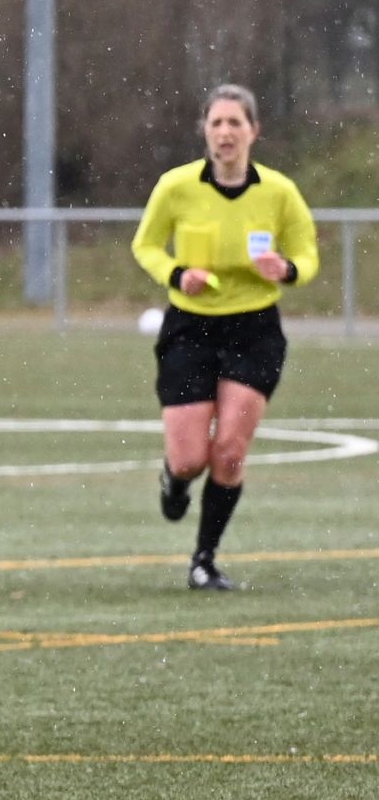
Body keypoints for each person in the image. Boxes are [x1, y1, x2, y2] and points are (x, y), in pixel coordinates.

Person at [131, 83, 318, 591]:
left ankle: (204, 561)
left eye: (236, 122)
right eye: (217, 122)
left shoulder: (279, 192)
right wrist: (176, 274)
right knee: (190, 459)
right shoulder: (176, 187)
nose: (226, 132)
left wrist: (287, 269)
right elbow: (146, 245)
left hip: (254, 329)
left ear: (254, 131)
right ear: (205, 132)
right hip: (190, 328)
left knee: (230, 452)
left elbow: (307, 253)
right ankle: (174, 480)